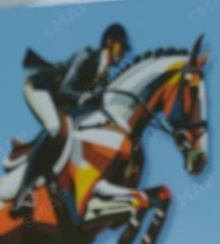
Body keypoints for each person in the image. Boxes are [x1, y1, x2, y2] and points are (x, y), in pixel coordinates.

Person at [9, 23, 132, 219]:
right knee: (55, 128)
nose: (123, 52)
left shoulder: (104, 76)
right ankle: (23, 193)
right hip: (40, 88)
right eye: (121, 47)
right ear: (109, 42)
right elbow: (64, 89)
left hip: (59, 101)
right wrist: (83, 97)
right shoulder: (88, 56)